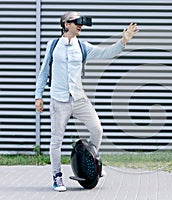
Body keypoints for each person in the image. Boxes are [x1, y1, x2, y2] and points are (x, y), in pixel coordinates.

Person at [35, 11, 138, 192]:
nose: (80, 24)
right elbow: (44, 72)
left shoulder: (83, 47)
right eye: (76, 21)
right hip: (59, 100)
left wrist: (123, 41)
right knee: (56, 140)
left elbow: (105, 52)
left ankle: (94, 161)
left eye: (81, 21)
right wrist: (38, 96)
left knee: (97, 129)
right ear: (66, 24)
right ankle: (57, 177)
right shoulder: (52, 46)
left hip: (79, 98)